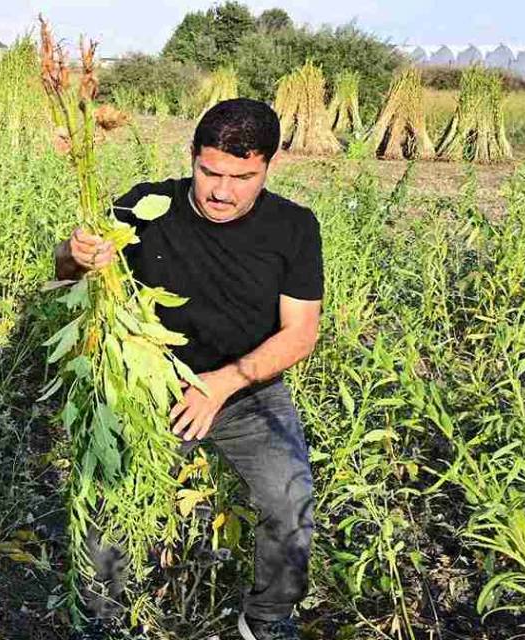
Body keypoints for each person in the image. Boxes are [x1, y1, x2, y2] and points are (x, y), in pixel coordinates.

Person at [54, 98, 323, 640]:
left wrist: (221, 386)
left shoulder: (294, 227)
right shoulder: (147, 205)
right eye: (209, 171)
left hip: (247, 388)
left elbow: (301, 333)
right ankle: (101, 619)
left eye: (242, 176)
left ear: (269, 166)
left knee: (289, 502)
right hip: (150, 383)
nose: (222, 191)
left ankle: (267, 619)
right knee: (113, 500)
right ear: (192, 158)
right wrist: (76, 255)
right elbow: (65, 273)